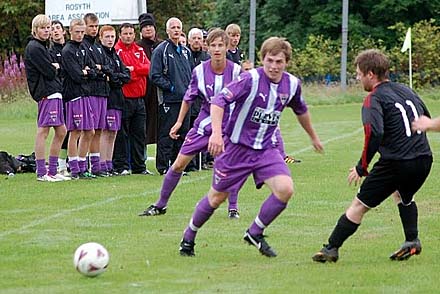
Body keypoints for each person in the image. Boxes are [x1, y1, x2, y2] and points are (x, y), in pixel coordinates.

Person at [179, 37, 324, 257]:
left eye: (279, 62)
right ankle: (188, 237)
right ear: (262, 59)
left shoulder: (291, 84)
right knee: (217, 198)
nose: (274, 66)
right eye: (270, 60)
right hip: (235, 150)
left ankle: (255, 232)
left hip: (266, 150)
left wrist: (313, 136)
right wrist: (217, 135)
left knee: (285, 189)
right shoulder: (249, 79)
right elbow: (219, 101)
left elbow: (300, 110)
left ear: (287, 62)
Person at [312, 49, 432, 263]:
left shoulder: (373, 98)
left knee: (359, 205)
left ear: (370, 74)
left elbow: (374, 133)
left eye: (358, 74)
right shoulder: (407, 90)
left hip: (396, 162)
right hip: (424, 158)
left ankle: (331, 248)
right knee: (403, 194)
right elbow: (427, 119)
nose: (357, 78)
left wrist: (361, 167)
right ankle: (412, 240)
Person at [138, 28, 241, 217]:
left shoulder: (236, 72)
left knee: (226, 167)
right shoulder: (200, 71)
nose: (217, 49)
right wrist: (178, 122)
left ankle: (233, 208)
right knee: (178, 165)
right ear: (207, 48)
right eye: (213, 45)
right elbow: (188, 97)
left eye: (221, 45)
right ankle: (160, 205)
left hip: (227, 128)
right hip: (202, 127)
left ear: (227, 47)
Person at [24, 14, 68, 182]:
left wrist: (55, 67)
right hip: (45, 93)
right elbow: (49, 71)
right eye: (43, 28)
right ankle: (42, 172)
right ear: (35, 30)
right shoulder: (34, 47)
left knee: (62, 131)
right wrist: (54, 67)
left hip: (54, 91)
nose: (47, 30)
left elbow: (55, 69)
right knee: (43, 131)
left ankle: (53, 169)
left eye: (48, 27)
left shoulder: (43, 46)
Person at [150, 17, 193, 175]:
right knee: (167, 133)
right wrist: (171, 87)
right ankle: (163, 166)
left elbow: (191, 74)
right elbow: (154, 75)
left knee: (183, 134)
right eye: (173, 27)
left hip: (185, 101)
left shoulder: (186, 52)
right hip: (169, 100)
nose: (176, 30)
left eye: (178, 27)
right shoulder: (161, 50)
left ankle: (178, 166)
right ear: (167, 31)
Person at [113, 23, 151, 175]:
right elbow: (123, 74)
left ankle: (139, 167)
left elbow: (148, 68)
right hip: (124, 97)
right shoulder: (117, 51)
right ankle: (121, 166)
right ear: (120, 35)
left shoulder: (139, 50)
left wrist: (134, 69)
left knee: (139, 134)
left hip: (139, 99)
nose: (128, 36)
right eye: (125, 33)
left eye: (130, 33)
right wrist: (135, 72)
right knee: (122, 134)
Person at [61, 18, 97, 180]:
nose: (80, 35)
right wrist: (86, 72)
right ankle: (74, 168)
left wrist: (88, 72)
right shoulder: (67, 50)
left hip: (86, 93)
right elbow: (76, 75)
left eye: (82, 32)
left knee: (90, 131)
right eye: (77, 32)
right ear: (70, 31)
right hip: (74, 95)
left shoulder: (84, 48)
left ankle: (83, 166)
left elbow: (95, 69)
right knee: (75, 131)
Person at [82, 13, 112, 177]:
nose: (94, 29)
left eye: (96, 26)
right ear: (85, 26)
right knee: (89, 131)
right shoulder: (83, 46)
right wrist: (99, 71)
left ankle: (96, 166)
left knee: (99, 130)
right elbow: (91, 69)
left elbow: (108, 67)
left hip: (103, 92)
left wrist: (101, 69)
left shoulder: (99, 46)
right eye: (91, 26)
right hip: (91, 92)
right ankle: (82, 164)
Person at [99, 25, 131, 175]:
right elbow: (108, 73)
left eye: (112, 37)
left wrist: (115, 77)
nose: (110, 40)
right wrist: (115, 77)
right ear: (101, 38)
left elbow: (126, 75)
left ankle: (109, 164)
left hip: (118, 98)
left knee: (113, 132)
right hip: (108, 97)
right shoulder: (101, 54)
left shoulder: (115, 55)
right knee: (106, 131)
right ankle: (102, 164)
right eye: (107, 37)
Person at [137, 13, 161, 149]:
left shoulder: (162, 45)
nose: (148, 29)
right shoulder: (137, 47)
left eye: (150, 26)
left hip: (159, 89)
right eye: (145, 27)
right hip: (143, 89)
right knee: (142, 126)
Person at [49, 20, 69, 176]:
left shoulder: (71, 48)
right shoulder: (50, 51)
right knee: (62, 130)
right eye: (52, 29)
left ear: (63, 31)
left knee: (76, 129)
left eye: (58, 28)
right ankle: (60, 165)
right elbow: (56, 71)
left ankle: (72, 161)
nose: (55, 31)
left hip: (74, 92)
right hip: (60, 93)